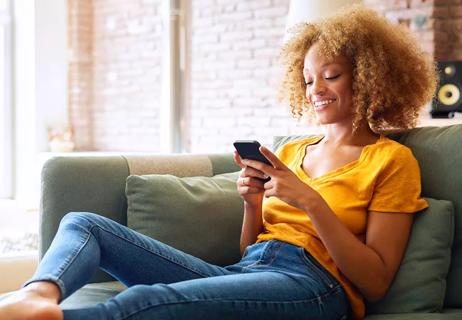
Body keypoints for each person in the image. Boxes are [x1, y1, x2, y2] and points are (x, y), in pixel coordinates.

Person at [0, 5, 436, 320]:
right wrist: (251, 204)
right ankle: (37, 296)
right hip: (252, 268)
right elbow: (250, 253)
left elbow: (376, 281)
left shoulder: (391, 161)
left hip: (316, 287)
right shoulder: (290, 153)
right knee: (85, 224)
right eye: (307, 79)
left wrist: (312, 203)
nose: (315, 89)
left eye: (331, 75)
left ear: (369, 76)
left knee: (145, 301)